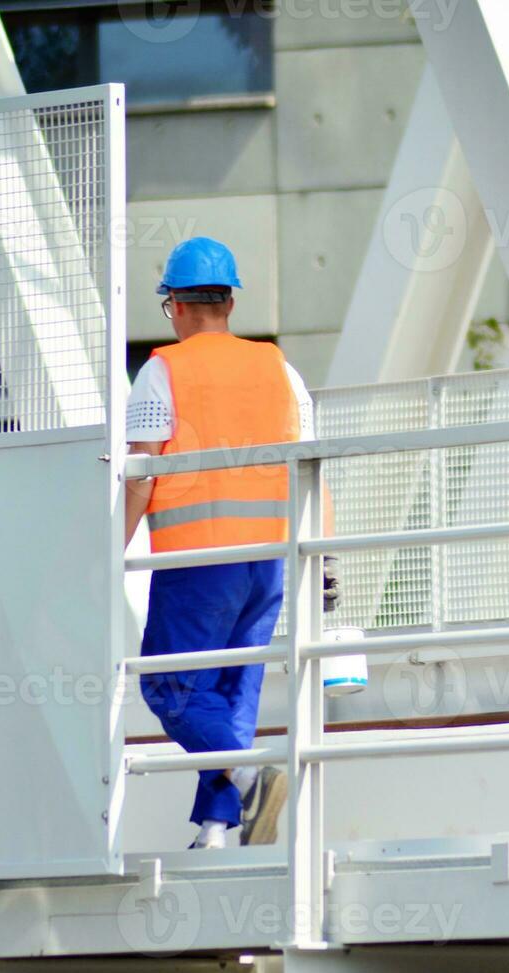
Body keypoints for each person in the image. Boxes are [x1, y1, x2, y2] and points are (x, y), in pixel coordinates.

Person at [123, 236, 340, 849]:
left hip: (199, 561)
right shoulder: (281, 370)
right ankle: (217, 830)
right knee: (229, 697)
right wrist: (321, 554)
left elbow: (141, 478)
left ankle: (249, 778)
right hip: (270, 562)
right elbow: (310, 465)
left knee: (168, 687)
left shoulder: (163, 371)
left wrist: (108, 549)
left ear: (178, 306)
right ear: (229, 303)